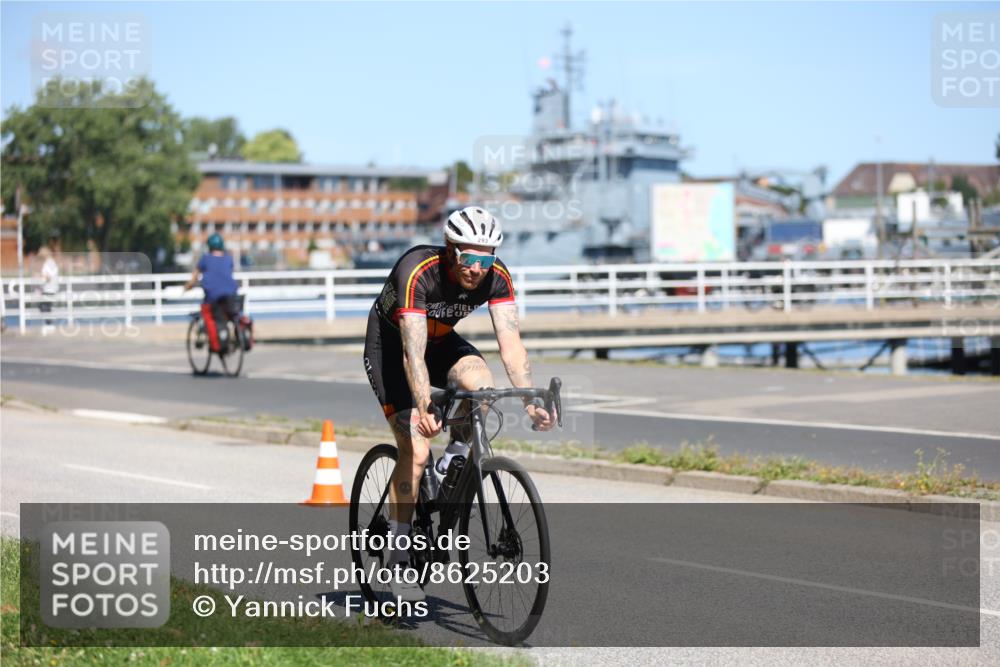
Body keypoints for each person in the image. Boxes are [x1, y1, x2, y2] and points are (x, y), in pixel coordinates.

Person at [363, 206, 556, 602]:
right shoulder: (419, 269)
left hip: (439, 341)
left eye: (486, 258)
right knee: (415, 451)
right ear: (450, 250)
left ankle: (454, 457)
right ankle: (398, 555)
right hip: (393, 348)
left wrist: (530, 402)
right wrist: (424, 407)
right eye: (468, 257)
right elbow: (412, 355)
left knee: (481, 386)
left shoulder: (496, 276)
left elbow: (511, 343)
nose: (477, 268)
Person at [184, 233, 240, 330]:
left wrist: (187, 287)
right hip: (231, 294)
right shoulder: (228, 258)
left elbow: (195, 277)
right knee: (232, 315)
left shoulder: (205, 259)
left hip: (213, 296)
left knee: (210, 314)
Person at [38, 246, 59, 334]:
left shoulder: (48, 263)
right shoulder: (51, 262)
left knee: (44, 306)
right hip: (51, 287)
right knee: (46, 306)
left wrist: (40, 278)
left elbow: (48, 276)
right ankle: (49, 324)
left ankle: (49, 324)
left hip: (49, 288)